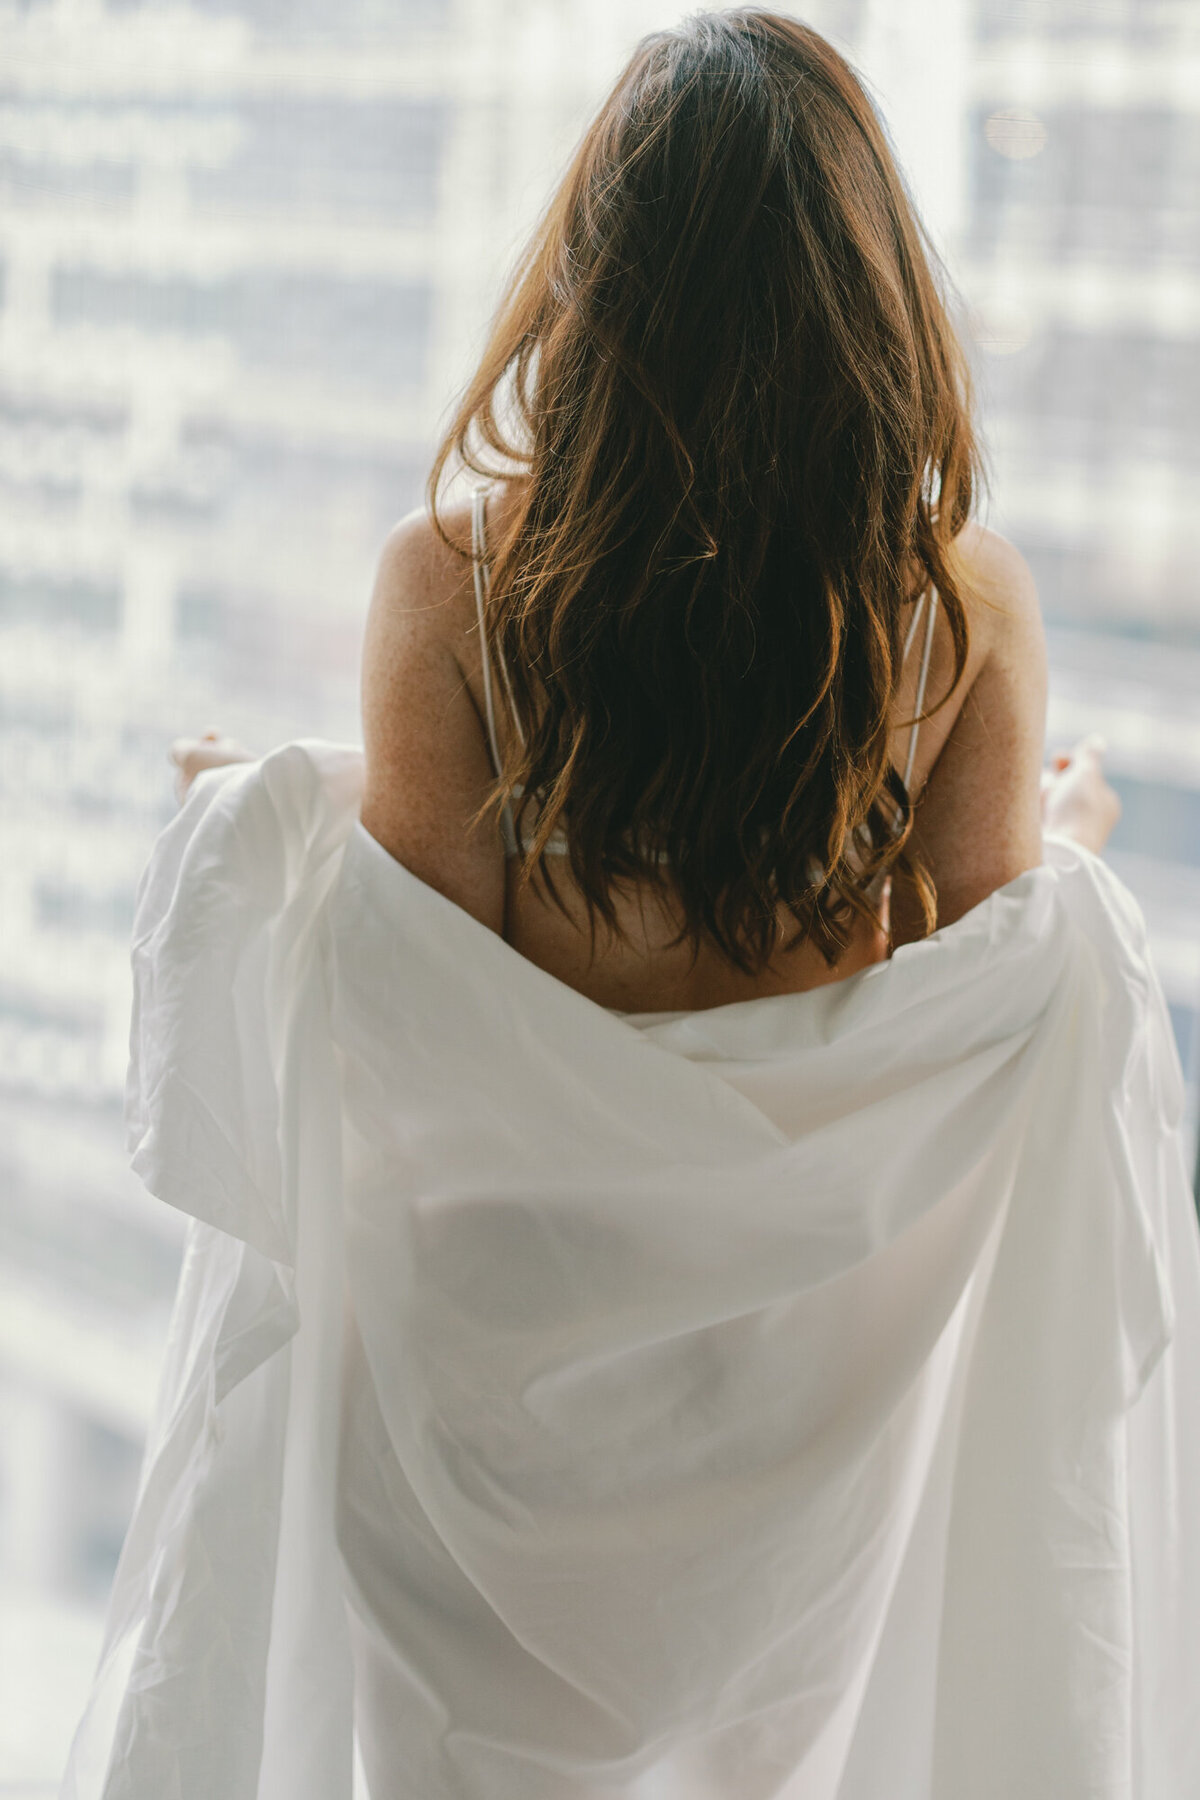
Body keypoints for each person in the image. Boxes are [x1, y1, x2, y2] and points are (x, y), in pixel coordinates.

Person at [64, 12, 1199, 1800]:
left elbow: (415, 985)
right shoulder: (957, 610)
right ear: (871, 291)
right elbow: (982, 993)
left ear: (594, 278)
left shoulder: (449, 587)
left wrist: (278, 824)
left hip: (488, 1406)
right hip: (792, 1423)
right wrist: (1057, 838)